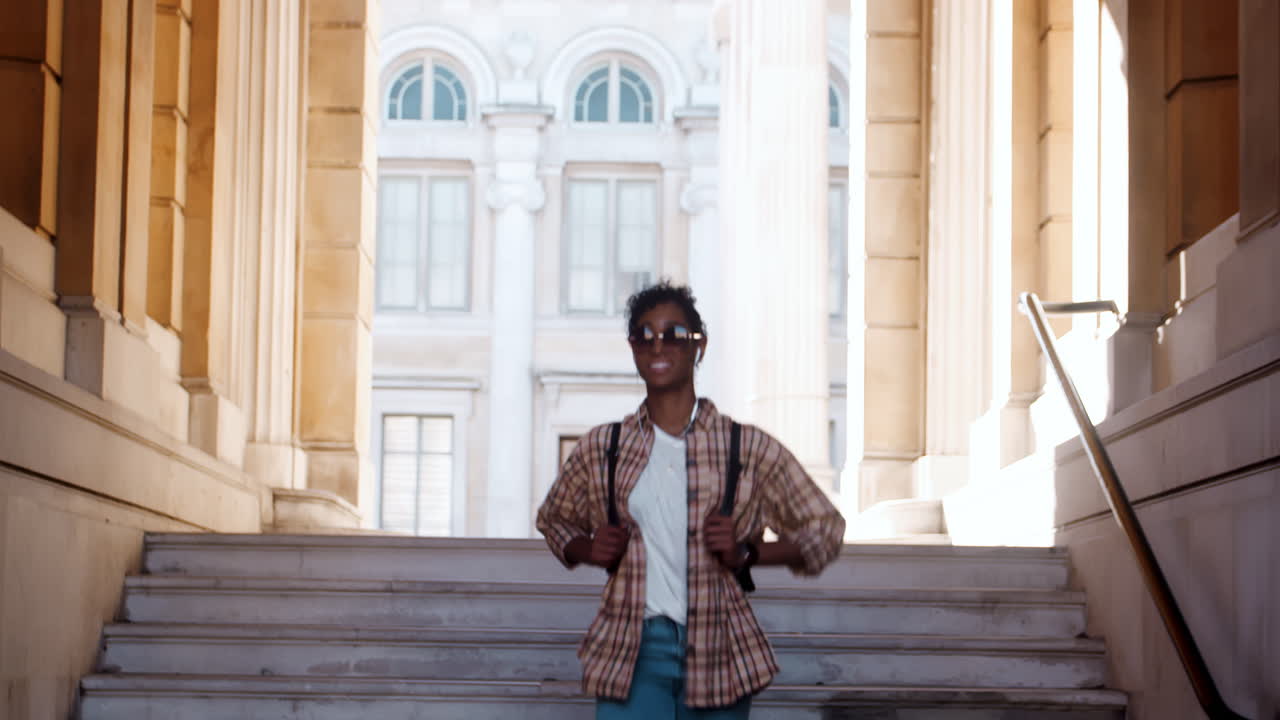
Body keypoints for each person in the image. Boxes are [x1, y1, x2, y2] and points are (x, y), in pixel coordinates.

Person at [536, 281, 846, 719]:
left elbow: (825, 529)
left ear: (699, 345)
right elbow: (554, 520)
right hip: (634, 648)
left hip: (720, 649)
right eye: (645, 335)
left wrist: (747, 552)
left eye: (674, 334)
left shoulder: (746, 448)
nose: (658, 344)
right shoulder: (604, 446)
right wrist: (589, 548)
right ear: (632, 348)